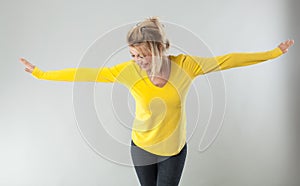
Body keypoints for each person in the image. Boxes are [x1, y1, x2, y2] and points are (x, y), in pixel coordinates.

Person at [19, 16, 294, 186]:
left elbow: (228, 60)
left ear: (161, 49)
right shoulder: (126, 73)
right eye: (133, 56)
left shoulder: (187, 66)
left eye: (143, 55)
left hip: (174, 151)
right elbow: (85, 74)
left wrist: (273, 53)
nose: (138, 62)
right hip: (140, 148)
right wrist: (41, 74)